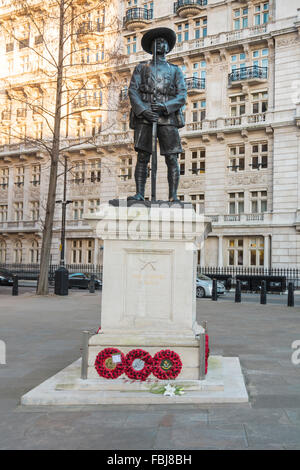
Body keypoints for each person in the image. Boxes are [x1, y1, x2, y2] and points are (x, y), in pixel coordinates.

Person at [128, 27, 187, 202]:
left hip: (167, 117)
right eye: (157, 42)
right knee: (143, 156)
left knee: (172, 157)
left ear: (168, 47)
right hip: (145, 117)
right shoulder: (141, 68)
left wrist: (164, 106)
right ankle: (140, 193)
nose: (160, 44)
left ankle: (173, 195)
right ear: (151, 46)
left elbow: (182, 95)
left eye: (163, 42)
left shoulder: (175, 70)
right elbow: (133, 91)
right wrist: (144, 110)